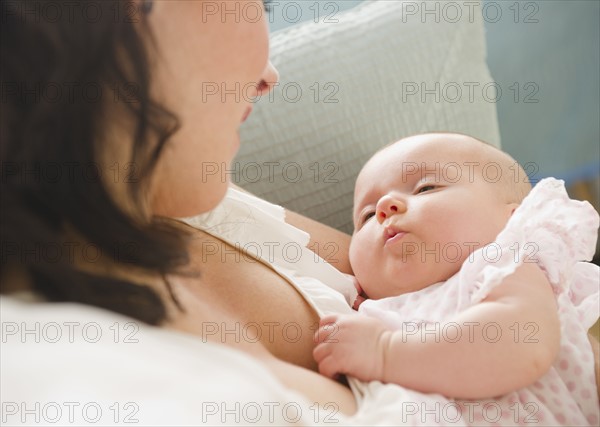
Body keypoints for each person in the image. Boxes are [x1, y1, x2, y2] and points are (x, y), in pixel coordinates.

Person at [2, 0, 599, 424]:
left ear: (514, 212)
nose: (268, 77)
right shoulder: (70, 375)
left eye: (429, 188)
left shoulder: (179, 190)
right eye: (367, 213)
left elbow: (532, 340)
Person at [313, 133, 600, 425]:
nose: (386, 207)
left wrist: (385, 352)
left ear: (513, 220)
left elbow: (522, 344)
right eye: (368, 215)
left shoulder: (505, 264)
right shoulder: (367, 311)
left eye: (425, 188)